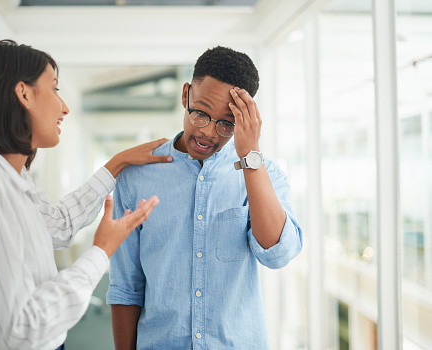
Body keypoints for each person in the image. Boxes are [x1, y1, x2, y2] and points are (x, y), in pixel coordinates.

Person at [0, 40, 171, 350]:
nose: (64, 107)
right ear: (23, 94)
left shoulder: (6, 175)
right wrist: (100, 251)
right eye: (55, 88)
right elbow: (20, 332)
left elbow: (55, 226)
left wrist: (117, 164)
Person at [106, 46, 303, 349]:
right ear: (186, 94)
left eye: (227, 122)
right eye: (200, 113)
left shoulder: (264, 175)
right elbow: (126, 286)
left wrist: (250, 156)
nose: (209, 132)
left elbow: (277, 254)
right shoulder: (137, 177)